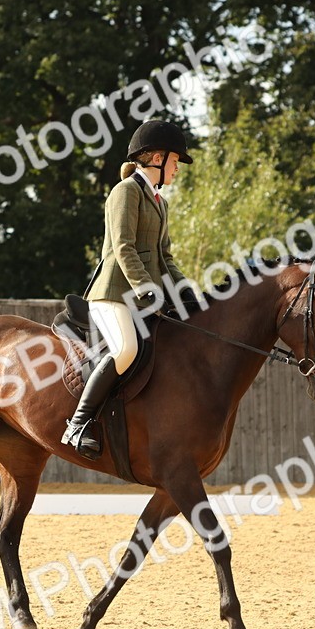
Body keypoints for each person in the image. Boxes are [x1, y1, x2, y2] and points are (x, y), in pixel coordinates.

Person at [61, 120, 195, 459]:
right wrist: (147, 289)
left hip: (143, 295)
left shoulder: (159, 203)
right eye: (175, 161)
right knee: (125, 350)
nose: (177, 169)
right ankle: (77, 424)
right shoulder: (125, 192)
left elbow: (165, 257)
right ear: (155, 158)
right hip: (113, 293)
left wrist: (187, 290)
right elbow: (123, 247)